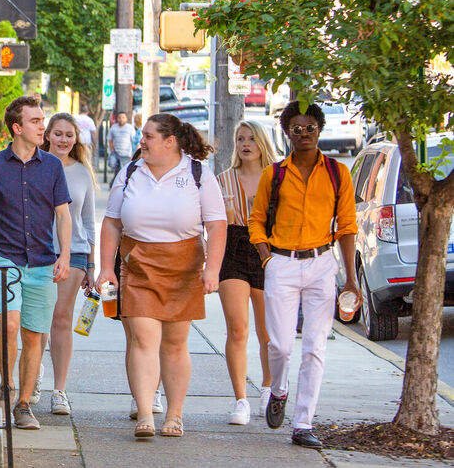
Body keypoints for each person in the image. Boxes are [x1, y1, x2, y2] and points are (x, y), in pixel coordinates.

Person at [95, 113, 227, 439]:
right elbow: (112, 222)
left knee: (175, 343)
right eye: (142, 136)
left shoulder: (197, 173)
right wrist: (106, 268)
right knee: (142, 338)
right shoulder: (130, 171)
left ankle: (175, 415)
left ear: (170, 142)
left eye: (148, 136)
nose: (142, 141)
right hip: (137, 263)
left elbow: (216, 224)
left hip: (184, 266)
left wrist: (212, 269)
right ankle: (144, 414)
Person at [249, 101, 359, 449]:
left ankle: (303, 422)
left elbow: (347, 226)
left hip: (321, 263)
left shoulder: (338, 173)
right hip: (281, 262)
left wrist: (352, 278)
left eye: (310, 127)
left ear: (319, 129)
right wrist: (266, 257)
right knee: (280, 345)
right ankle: (279, 390)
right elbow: (256, 220)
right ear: (287, 133)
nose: (304, 134)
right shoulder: (275, 174)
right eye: (296, 129)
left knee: (314, 348)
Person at [0, 95, 73, 430]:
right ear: (17, 127)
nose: (43, 127)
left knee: (34, 335)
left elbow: (63, 215)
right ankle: (7, 382)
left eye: (42, 121)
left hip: (42, 261)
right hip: (5, 256)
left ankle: (24, 404)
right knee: (10, 325)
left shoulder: (53, 167)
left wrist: (65, 255)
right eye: (35, 121)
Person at [216, 120, 277, 425]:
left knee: (268, 333)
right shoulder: (223, 180)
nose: (245, 143)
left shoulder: (279, 178)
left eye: (252, 138)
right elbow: (214, 224)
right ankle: (241, 399)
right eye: (240, 138)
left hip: (268, 251)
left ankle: (267, 388)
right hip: (233, 249)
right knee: (237, 329)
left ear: (262, 142)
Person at [37, 113, 96, 416]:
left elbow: (88, 221)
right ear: (47, 135)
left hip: (74, 253)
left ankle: (59, 390)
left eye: (69, 135)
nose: (63, 139)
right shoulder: (35, 166)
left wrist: (93, 263)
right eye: (57, 133)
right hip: (39, 252)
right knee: (38, 317)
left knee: (61, 317)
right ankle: (34, 375)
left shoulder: (82, 173)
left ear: (76, 139)